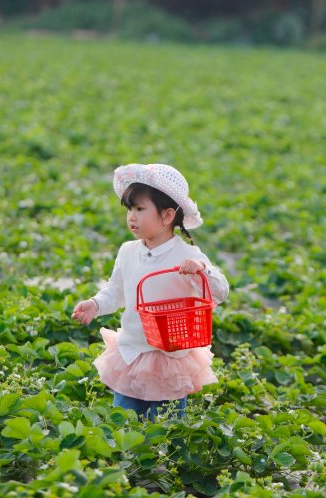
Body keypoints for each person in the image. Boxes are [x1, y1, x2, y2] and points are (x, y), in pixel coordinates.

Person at [71, 163, 229, 420]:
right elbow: (117, 289)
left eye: (141, 209)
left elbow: (220, 292)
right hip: (131, 353)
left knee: (165, 430)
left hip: (170, 358)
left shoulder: (188, 256)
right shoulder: (128, 251)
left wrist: (201, 270)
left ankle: (160, 461)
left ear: (167, 216)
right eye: (130, 209)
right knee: (123, 423)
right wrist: (95, 304)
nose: (132, 217)